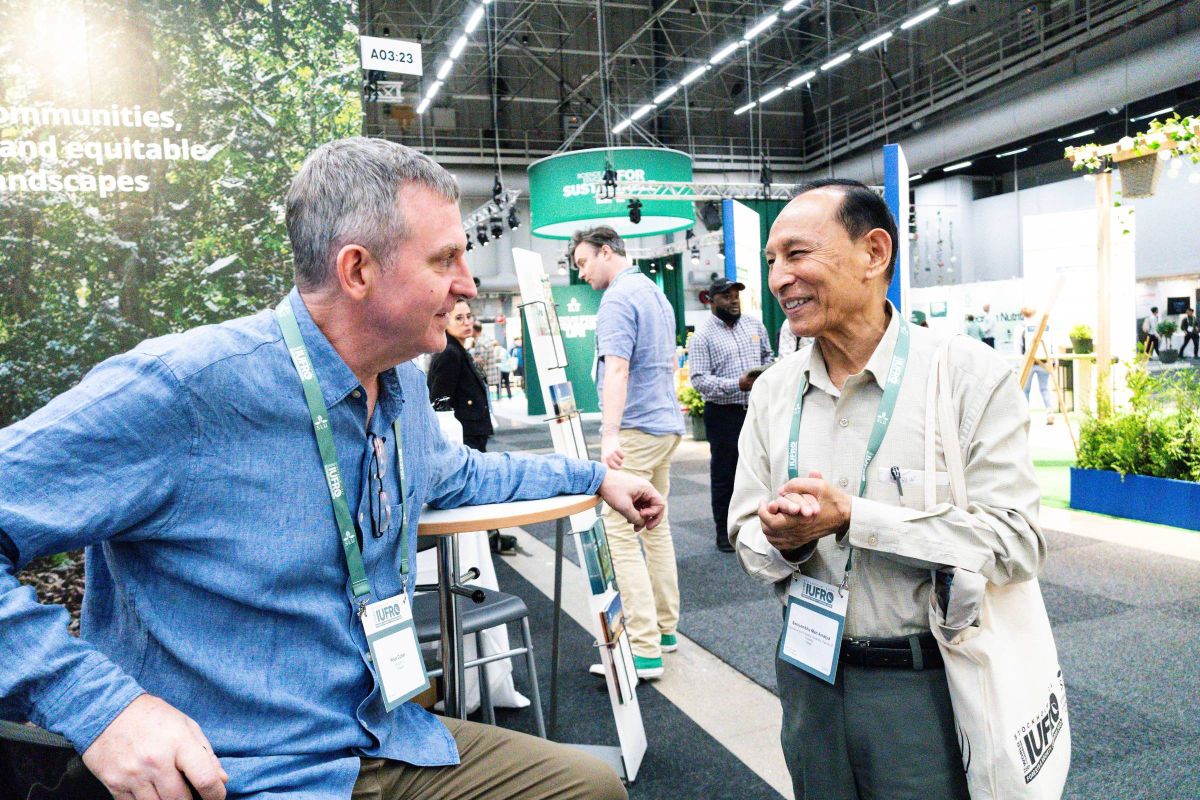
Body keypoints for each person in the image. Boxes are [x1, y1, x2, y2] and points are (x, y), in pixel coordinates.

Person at [0, 138, 667, 800]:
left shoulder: (400, 386)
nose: (467, 282)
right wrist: (100, 709)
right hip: (238, 769)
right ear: (357, 270)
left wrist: (593, 478)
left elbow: (459, 475)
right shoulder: (188, 388)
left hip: (382, 735)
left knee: (588, 787)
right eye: (445, 260)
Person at [729, 179, 1044, 800]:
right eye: (771, 262)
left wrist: (855, 519)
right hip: (807, 673)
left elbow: (1017, 542)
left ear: (875, 253)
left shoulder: (964, 375)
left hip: (927, 681)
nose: (777, 279)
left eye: (797, 254)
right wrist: (785, 541)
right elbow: (743, 529)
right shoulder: (772, 391)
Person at [570, 225, 685, 680]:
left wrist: (610, 434)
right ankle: (665, 630)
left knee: (620, 531)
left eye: (582, 263)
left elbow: (617, 369)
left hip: (636, 429)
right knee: (656, 528)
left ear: (605, 252)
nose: (581, 275)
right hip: (665, 425)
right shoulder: (654, 293)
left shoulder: (618, 299)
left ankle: (643, 649)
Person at [686, 277, 773, 552]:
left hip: (757, 411)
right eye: (726, 296)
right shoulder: (702, 336)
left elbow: (768, 356)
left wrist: (766, 371)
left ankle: (762, 528)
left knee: (763, 471)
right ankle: (724, 533)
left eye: (736, 295)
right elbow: (699, 380)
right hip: (724, 414)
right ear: (711, 301)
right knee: (725, 475)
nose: (734, 300)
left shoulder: (755, 326)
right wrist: (737, 384)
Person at [427, 299, 492, 452]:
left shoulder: (457, 350)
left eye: (469, 316)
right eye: (459, 318)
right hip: (463, 436)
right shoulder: (450, 353)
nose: (467, 322)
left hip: (470, 431)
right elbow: (440, 400)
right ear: (445, 320)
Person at [1021, 306, 1057, 425]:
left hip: (1029, 362)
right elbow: (1052, 343)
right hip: (1044, 360)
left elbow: (1018, 346)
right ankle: (1049, 412)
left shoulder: (1022, 327)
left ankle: (1024, 415)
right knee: (1044, 388)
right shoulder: (1045, 326)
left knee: (1025, 390)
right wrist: (1053, 359)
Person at [470, 320, 501, 395]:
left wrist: (469, 360)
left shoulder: (480, 343)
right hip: (487, 376)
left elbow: (481, 362)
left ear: (474, 330)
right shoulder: (486, 339)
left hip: (483, 377)